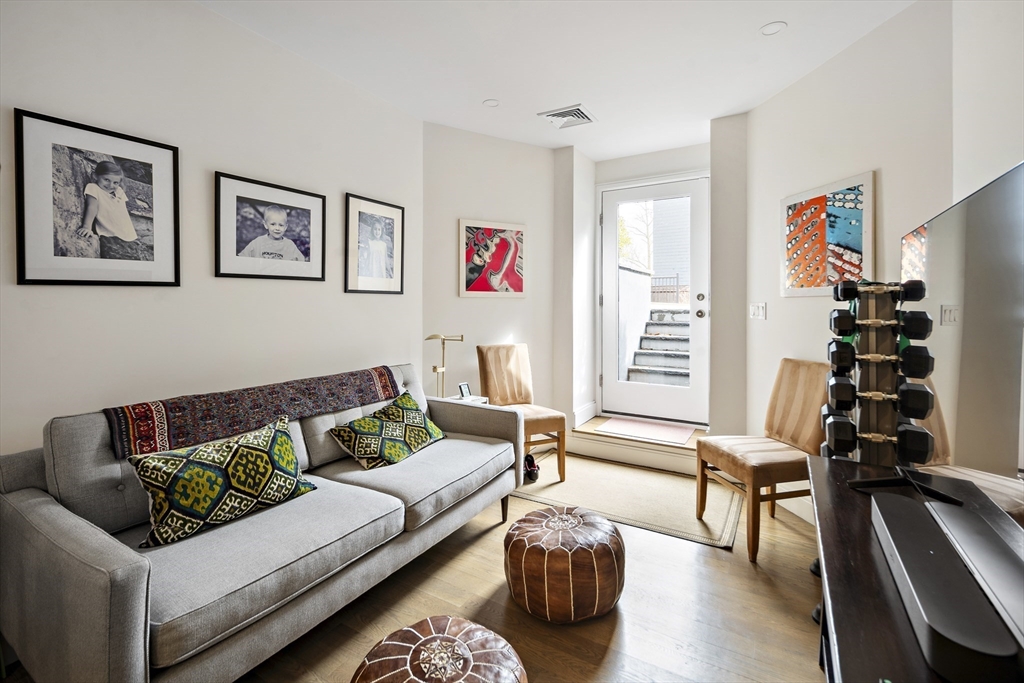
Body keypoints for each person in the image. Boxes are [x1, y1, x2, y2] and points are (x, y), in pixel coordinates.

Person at [76, 160, 140, 259]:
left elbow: (122, 212)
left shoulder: (119, 191)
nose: (111, 185)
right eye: (106, 180)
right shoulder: (93, 188)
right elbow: (92, 207)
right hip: (109, 235)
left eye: (115, 182)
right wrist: (86, 227)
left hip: (129, 236)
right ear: (95, 176)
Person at [238, 205, 306, 261]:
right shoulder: (258, 242)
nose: (277, 228)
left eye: (281, 225)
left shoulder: (289, 245)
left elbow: (302, 263)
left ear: (285, 227)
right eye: (273, 224)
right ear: (266, 225)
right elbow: (241, 258)